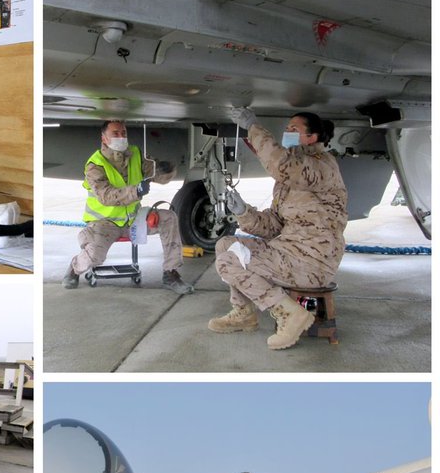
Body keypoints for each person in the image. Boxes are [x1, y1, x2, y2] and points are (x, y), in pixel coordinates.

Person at [211, 108, 348, 350]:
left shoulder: (321, 167)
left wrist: (253, 128)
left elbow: (281, 164)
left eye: (294, 129)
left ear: (312, 138)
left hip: (313, 260)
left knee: (227, 262)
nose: (287, 132)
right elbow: (274, 225)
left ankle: (288, 313)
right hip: (289, 252)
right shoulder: (289, 182)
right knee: (225, 245)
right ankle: (244, 313)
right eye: (287, 128)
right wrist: (244, 211)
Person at [63, 120, 192, 294]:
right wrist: (135, 191)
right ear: (104, 139)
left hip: (133, 220)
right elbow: (106, 196)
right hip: (104, 223)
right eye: (115, 133)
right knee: (95, 256)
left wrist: (166, 170)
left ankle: (170, 273)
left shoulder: (136, 154)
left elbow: (155, 174)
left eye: (123, 133)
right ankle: (74, 267)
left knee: (168, 218)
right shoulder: (95, 165)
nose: (121, 137)